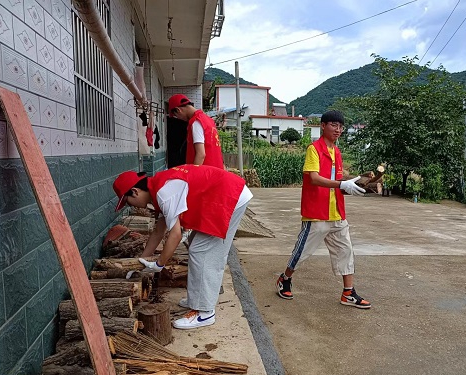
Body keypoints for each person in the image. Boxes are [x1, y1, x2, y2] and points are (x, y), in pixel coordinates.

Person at [113, 164, 252, 329]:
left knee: (202, 252)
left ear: (135, 191)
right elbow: (158, 231)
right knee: (197, 246)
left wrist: (159, 264)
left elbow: (175, 234)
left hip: (229, 196)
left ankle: (204, 313)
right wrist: (141, 262)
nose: (133, 206)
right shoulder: (159, 188)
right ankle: (198, 299)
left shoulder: (164, 193)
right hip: (225, 193)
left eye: (129, 202)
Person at [276, 110, 371, 309]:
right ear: (323, 126)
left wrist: (349, 186)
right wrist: (341, 184)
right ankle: (285, 278)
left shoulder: (336, 151)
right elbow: (314, 178)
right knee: (303, 252)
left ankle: (348, 293)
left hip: (336, 212)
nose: (338, 130)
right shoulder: (314, 149)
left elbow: (335, 181)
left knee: (346, 251)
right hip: (316, 213)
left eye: (341, 127)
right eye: (334, 125)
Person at [168, 94, 224, 169]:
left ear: (178, 110)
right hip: (216, 171)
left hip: (204, 173)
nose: (179, 118)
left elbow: (201, 154)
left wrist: (192, 175)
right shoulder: (208, 120)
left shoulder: (196, 122)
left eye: (176, 116)